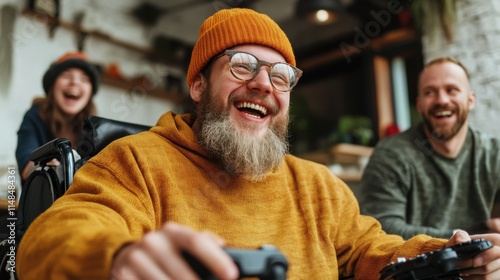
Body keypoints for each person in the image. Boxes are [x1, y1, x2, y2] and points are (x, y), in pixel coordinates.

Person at [17, 9, 500, 280]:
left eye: (281, 76)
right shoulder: (136, 161)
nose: (264, 85)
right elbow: (52, 237)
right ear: (199, 85)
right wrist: (116, 258)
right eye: (242, 66)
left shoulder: (317, 185)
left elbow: (372, 249)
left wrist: (446, 256)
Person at [359, 56, 500, 240]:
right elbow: (381, 230)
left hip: (484, 265)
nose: (441, 100)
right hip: (414, 268)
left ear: (470, 100)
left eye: (452, 90)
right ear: (419, 104)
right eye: (430, 92)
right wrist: (475, 234)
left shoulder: (494, 154)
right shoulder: (391, 155)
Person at [15, 51, 99, 182]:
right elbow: (26, 165)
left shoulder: (96, 129)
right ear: (52, 87)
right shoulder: (34, 117)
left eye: (84, 79)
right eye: (66, 76)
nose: (75, 82)